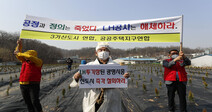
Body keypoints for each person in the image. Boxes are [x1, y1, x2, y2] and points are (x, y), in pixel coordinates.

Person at [70, 42, 129, 112]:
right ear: (96, 53)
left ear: (109, 52)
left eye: (106, 50)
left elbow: (125, 83)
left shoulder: (117, 67)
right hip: (93, 97)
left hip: (111, 98)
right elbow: (76, 82)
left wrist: (126, 77)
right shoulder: (88, 66)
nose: (103, 52)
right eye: (100, 50)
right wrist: (76, 78)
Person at [14, 39, 43, 112]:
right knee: (27, 102)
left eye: (27, 55)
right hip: (23, 84)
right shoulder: (24, 61)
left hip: (33, 84)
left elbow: (30, 57)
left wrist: (20, 53)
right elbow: (17, 54)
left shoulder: (38, 62)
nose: (25, 57)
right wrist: (19, 45)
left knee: (34, 101)